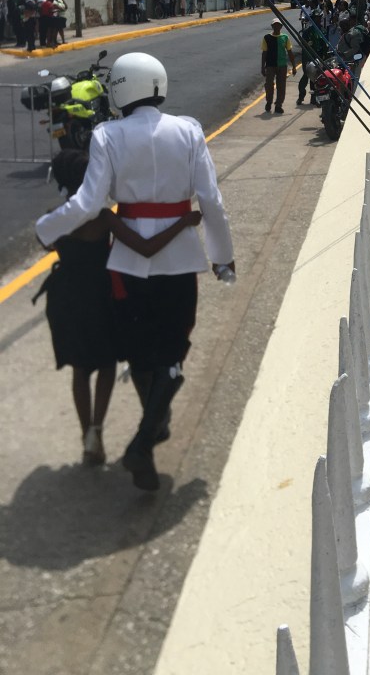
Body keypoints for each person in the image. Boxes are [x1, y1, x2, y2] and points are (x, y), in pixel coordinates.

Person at [36, 52, 235, 491]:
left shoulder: (107, 134)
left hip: (127, 263)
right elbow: (211, 200)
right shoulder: (188, 130)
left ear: (119, 89)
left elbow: (89, 203)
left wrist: (47, 228)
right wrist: (222, 256)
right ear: (158, 85)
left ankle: (151, 427)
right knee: (173, 351)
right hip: (179, 260)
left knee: (142, 353)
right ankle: (145, 439)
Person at [34, 149, 202, 466]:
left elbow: (45, 241)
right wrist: (183, 222)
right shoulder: (102, 217)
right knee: (106, 365)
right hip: (101, 297)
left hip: (66, 299)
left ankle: (87, 435)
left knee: (80, 370)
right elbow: (145, 247)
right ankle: (98, 428)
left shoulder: (57, 217)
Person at [261, 18, 296, 114]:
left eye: (278, 25)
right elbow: (264, 53)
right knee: (269, 85)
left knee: (281, 86)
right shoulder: (267, 37)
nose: (276, 27)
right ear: (272, 26)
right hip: (270, 65)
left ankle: (278, 105)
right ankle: (269, 102)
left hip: (282, 65)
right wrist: (262, 67)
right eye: (275, 25)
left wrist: (294, 66)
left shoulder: (285, 37)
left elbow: (290, 52)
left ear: (281, 26)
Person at [297, 10, 327, 106]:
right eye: (316, 18)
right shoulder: (307, 31)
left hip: (319, 57)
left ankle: (314, 98)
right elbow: (304, 45)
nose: (318, 19)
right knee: (306, 76)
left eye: (319, 18)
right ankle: (301, 96)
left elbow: (325, 46)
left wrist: (324, 57)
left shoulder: (323, 31)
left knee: (317, 79)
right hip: (308, 57)